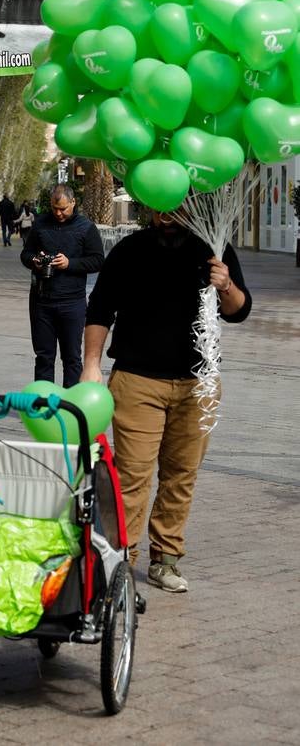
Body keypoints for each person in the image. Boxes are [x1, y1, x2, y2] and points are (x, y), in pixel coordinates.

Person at [80, 209, 252, 593]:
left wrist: (225, 284)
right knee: (131, 477)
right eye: (159, 205)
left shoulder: (214, 246)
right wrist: (91, 364)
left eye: (175, 204)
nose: (166, 213)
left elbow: (240, 310)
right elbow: (100, 308)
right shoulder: (129, 250)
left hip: (198, 385)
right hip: (138, 380)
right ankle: (121, 562)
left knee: (181, 475)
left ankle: (166, 560)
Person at [20, 185, 104, 387]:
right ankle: (43, 403)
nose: (58, 213)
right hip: (41, 301)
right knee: (43, 357)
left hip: (72, 302)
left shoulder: (86, 227)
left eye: (63, 209)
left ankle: (70, 404)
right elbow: (25, 254)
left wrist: (70, 264)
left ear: (73, 203)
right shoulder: (40, 225)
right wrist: (35, 261)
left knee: (72, 358)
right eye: (55, 208)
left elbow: (98, 260)